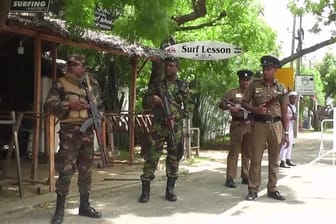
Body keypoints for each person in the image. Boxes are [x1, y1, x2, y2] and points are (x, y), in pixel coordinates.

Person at [44, 55, 103, 224]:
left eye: (75, 64)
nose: (71, 67)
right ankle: (59, 211)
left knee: (86, 170)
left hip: (88, 130)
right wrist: (69, 105)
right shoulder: (60, 83)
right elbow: (48, 105)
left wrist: (97, 115)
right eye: (69, 64)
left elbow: (100, 105)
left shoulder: (92, 84)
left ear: (83, 66)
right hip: (70, 132)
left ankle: (84, 206)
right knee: (66, 170)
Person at [138, 56, 193, 203]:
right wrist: (153, 100)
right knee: (152, 156)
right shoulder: (157, 84)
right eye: (167, 65)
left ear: (177, 68)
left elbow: (189, 109)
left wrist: (176, 116)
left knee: (174, 157)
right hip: (159, 126)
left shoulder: (182, 86)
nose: (168, 68)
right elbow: (144, 102)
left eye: (172, 65)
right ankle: (145, 191)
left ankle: (170, 190)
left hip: (175, 126)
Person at [241, 55, 289, 201]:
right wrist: (255, 110)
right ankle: (253, 189)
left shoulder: (281, 87)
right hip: (259, 125)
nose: (265, 72)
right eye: (264, 69)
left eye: (268, 69)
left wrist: (286, 132)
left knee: (274, 160)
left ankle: (273, 188)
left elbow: (284, 111)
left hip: (276, 125)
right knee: (256, 158)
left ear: (275, 70)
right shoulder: (254, 85)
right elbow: (244, 103)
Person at [218, 70, 253, 188]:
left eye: (248, 80)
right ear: (240, 80)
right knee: (234, 152)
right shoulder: (233, 92)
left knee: (247, 152)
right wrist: (229, 107)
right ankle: (230, 177)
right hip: (237, 125)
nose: (246, 82)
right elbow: (221, 104)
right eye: (243, 80)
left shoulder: (254, 93)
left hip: (250, 125)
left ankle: (245, 175)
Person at [280, 91, 298, 168]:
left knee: (290, 144)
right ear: (289, 98)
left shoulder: (294, 107)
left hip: (291, 127)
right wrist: (291, 118)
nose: (294, 100)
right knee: (285, 144)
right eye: (292, 98)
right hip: (286, 127)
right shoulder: (286, 107)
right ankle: (282, 160)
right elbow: (284, 117)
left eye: (295, 98)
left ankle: (288, 158)